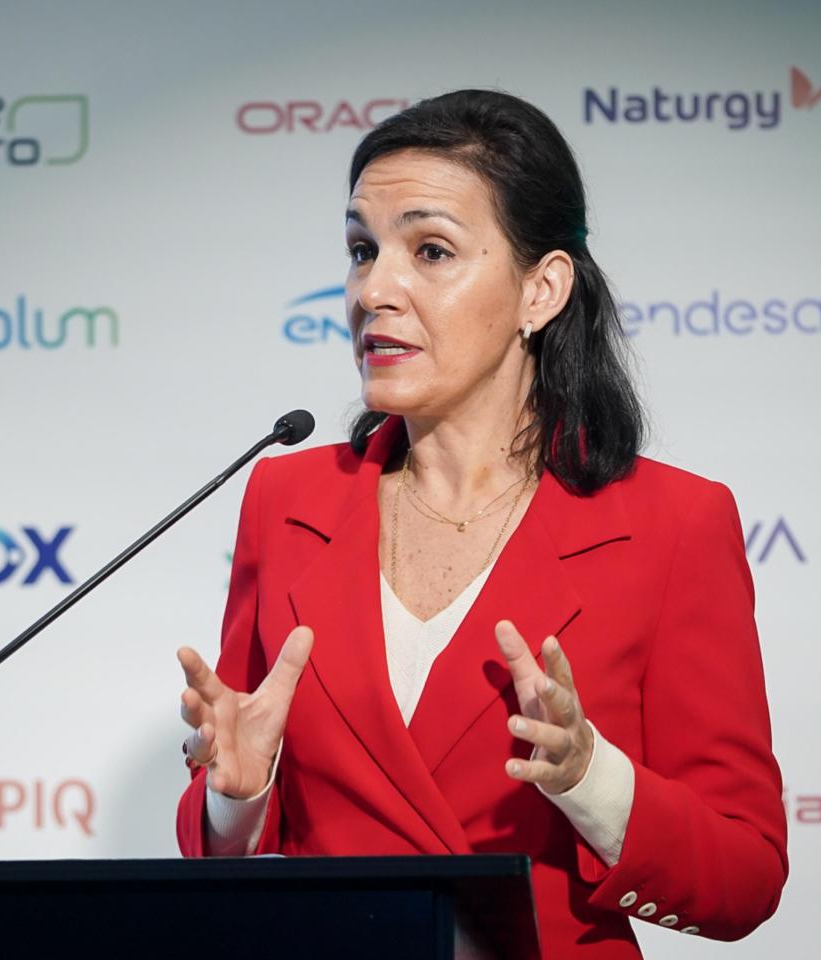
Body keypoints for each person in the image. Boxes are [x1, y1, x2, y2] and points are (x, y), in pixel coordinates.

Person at [174, 89, 787, 958]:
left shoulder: (675, 524)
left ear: (541, 289)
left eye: (430, 250)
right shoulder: (286, 502)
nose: (372, 290)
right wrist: (237, 798)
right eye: (361, 250)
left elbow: (745, 876)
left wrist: (590, 779)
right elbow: (226, 839)